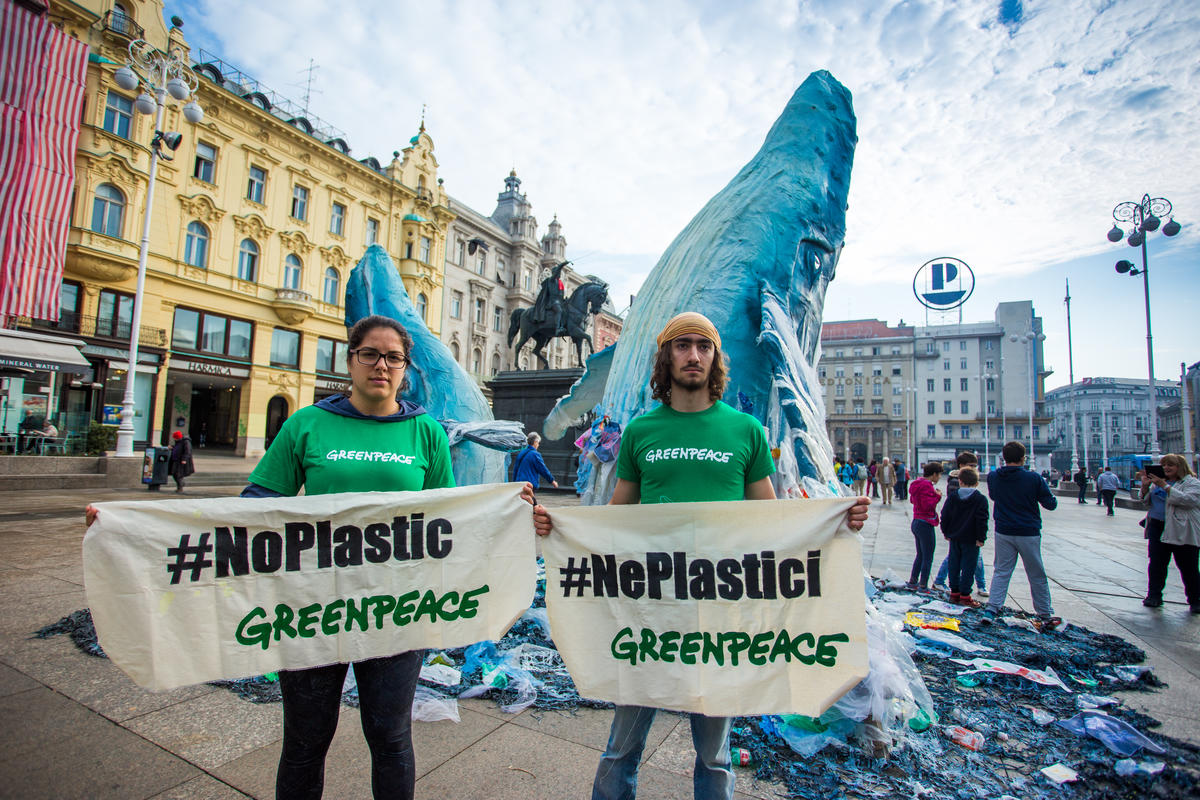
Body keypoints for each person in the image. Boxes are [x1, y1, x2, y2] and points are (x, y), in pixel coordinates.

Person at [531, 311, 869, 800]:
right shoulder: (642, 431)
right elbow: (615, 518)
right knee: (620, 747)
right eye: (683, 345)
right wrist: (560, 529)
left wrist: (832, 525)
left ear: (715, 359)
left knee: (714, 754)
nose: (694, 355)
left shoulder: (745, 431)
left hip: (719, 617)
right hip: (648, 614)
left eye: (703, 346)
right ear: (666, 357)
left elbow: (770, 523)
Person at [236, 315, 535, 800]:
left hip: (397, 611)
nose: (382, 365)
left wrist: (505, 510)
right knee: (305, 743)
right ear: (350, 360)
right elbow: (258, 503)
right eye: (370, 354)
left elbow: (446, 518)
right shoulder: (307, 424)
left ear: (405, 368)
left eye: (393, 357)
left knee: (392, 739)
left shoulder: (425, 432)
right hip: (315, 608)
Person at [983, 441, 1059, 627]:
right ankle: (1044, 612)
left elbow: (994, 497)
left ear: (1004, 458)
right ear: (1023, 458)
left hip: (1004, 529)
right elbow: (1050, 504)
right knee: (1036, 572)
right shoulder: (1033, 479)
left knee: (1001, 571)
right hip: (1028, 531)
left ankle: (992, 608)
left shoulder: (994, 477)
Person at [1141, 454, 1200, 614]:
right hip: (1157, 527)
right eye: (1164, 465)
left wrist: (1165, 487)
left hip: (1182, 529)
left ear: (1180, 467)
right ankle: (1154, 596)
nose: (1166, 468)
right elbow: (1146, 502)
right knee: (1156, 564)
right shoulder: (1157, 483)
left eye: (1170, 465)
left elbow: (1189, 500)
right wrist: (1145, 487)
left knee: (1188, 566)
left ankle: (1196, 600)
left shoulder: (1191, 483)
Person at [933, 452, 988, 596]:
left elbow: (945, 515)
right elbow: (982, 520)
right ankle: (965, 593)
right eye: (972, 466)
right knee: (968, 566)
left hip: (955, 536)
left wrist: (946, 532)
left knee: (955, 564)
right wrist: (981, 538)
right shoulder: (980, 499)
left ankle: (955, 591)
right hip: (970, 538)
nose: (973, 468)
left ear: (961, 482)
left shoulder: (954, 496)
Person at [907, 462, 943, 590]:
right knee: (928, 556)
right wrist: (937, 496)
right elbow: (927, 506)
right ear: (934, 474)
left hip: (916, 521)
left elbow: (913, 500)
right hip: (925, 523)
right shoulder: (927, 486)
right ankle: (923, 584)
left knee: (920, 554)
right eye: (939, 475)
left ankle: (913, 580)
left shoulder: (917, 484)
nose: (939, 478)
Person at [533, 260, 567, 335]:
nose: (559, 275)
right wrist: (562, 265)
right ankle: (557, 328)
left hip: (559, 301)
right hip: (552, 301)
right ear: (555, 273)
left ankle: (562, 326)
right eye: (558, 273)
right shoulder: (552, 280)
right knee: (559, 310)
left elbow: (561, 294)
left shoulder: (559, 283)